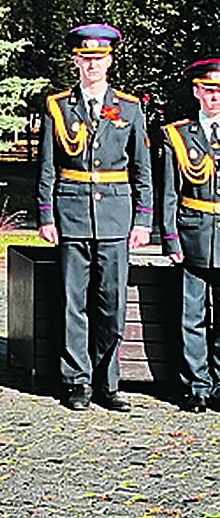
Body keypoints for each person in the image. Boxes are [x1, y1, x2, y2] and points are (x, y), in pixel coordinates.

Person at [36, 23, 153, 412]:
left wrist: (142, 220)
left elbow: (142, 169)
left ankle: (108, 382)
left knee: (111, 302)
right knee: (73, 301)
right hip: (71, 214)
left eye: (99, 59)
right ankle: (76, 380)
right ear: (75, 61)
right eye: (86, 59)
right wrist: (46, 215)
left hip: (116, 217)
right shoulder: (58, 107)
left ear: (110, 61)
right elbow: (48, 168)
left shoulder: (130, 108)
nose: (92, 66)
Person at [161, 57, 220, 413]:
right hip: (193, 235)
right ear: (197, 91)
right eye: (209, 90)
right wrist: (169, 237)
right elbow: (169, 191)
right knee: (192, 315)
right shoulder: (178, 136)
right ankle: (197, 385)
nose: (216, 98)